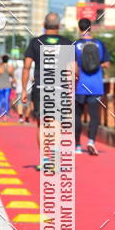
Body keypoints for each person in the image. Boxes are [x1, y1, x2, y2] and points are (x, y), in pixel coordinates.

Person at [21, 12, 73, 168]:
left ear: (44, 25)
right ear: (59, 25)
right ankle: (54, 157)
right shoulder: (67, 43)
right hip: (59, 87)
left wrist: (24, 89)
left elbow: (26, 67)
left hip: (41, 88)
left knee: (42, 124)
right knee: (56, 122)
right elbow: (72, 70)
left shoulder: (35, 42)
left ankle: (45, 159)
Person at [74, 17, 110, 155]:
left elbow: (71, 67)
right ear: (90, 28)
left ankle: (77, 145)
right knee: (94, 116)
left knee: (77, 115)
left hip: (79, 86)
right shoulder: (99, 44)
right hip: (95, 86)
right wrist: (97, 65)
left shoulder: (75, 45)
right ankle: (91, 141)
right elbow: (106, 63)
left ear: (79, 28)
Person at [0, 54, 14, 119]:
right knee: (6, 100)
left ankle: (0, 114)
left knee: (0, 100)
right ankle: (6, 114)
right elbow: (12, 76)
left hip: (0, 85)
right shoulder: (10, 67)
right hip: (7, 85)